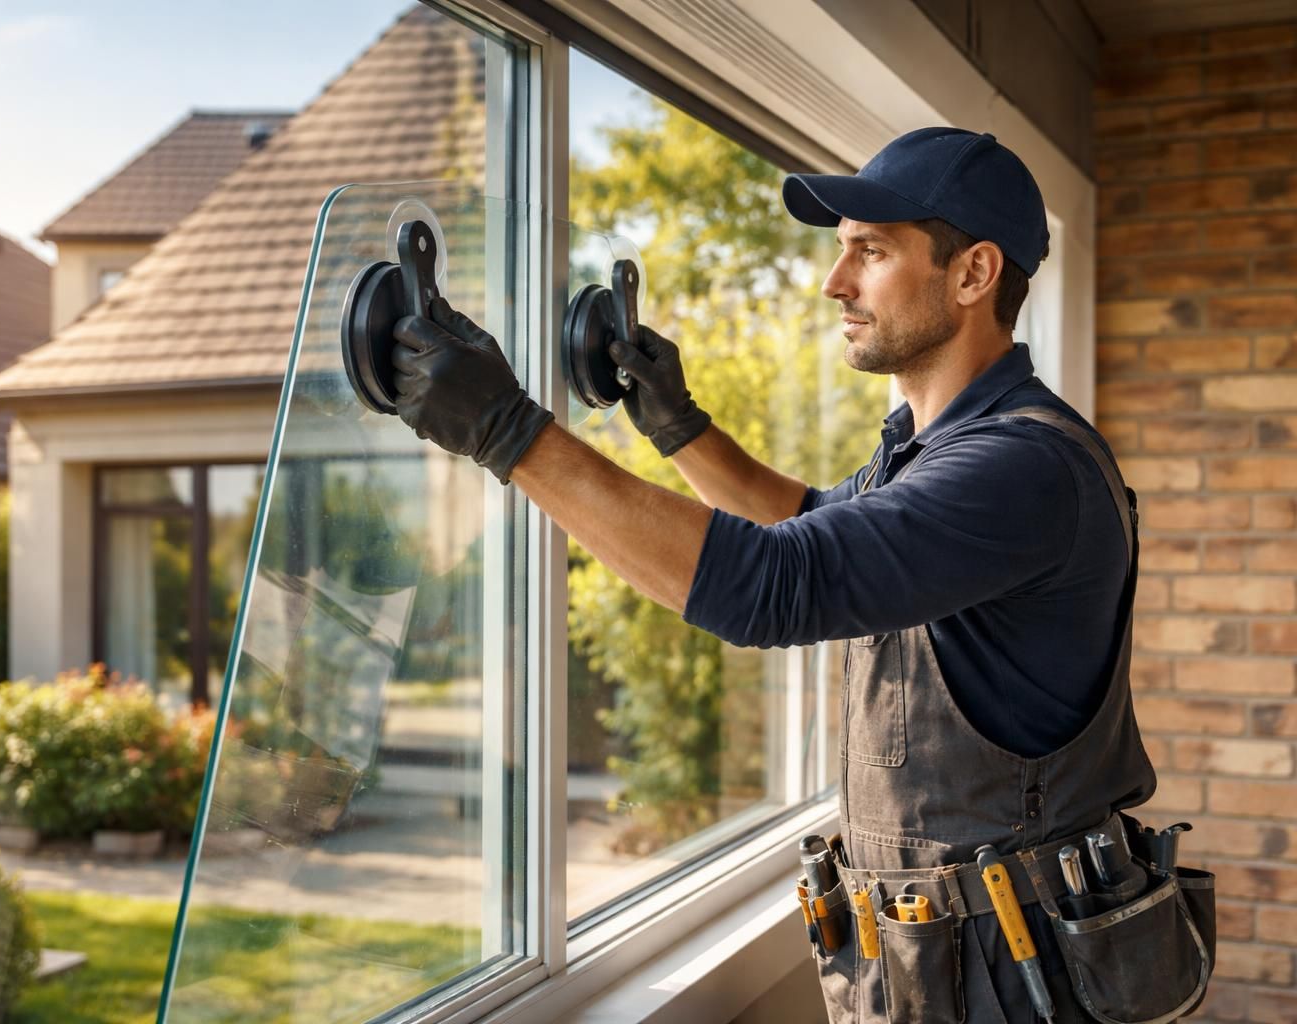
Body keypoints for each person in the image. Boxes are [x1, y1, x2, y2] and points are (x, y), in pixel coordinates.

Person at [387, 127, 1211, 1022]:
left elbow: (774, 584)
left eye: (872, 250)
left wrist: (510, 434)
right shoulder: (934, 451)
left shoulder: (1020, 469)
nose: (835, 282)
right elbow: (811, 524)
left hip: (1022, 988)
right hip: (944, 972)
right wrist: (678, 426)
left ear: (974, 274)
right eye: (841, 249)